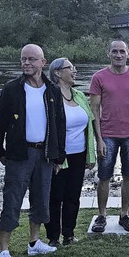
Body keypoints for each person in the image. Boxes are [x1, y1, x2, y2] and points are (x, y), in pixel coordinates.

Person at [0, 44, 66, 257]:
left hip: (44, 154)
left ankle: (34, 243)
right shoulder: (12, 89)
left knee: (41, 199)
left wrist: (58, 156)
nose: (26, 63)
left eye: (32, 59)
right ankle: (3, 251)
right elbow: (1, 122)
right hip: (19, 154)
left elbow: (59, 124)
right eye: (23, 59)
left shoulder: (52, 90)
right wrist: (0, 151)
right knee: (12, 201)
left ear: (43, 62)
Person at [89, 40, 129, 233]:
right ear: (109, 54)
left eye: (122, 51)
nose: (118, 55)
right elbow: (94, 110)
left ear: (128, 54)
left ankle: (124, 214)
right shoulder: (99, 77)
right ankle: (102, 215)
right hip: (107, 134)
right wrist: (98, 139)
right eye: (114, 51)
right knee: (104, 176)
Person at [44, 58, 96, 246]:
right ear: (57, 73)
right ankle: (52, 237)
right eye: (70, 68)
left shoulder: (79, 95)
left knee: (73, 196)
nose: (74, 71)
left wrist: (92, 154)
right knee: (55, 196)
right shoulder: (50, 94)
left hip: (79, 154)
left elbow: (89, 124)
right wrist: (55, 156)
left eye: (74, 67)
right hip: (59, 156)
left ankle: (69, 234)